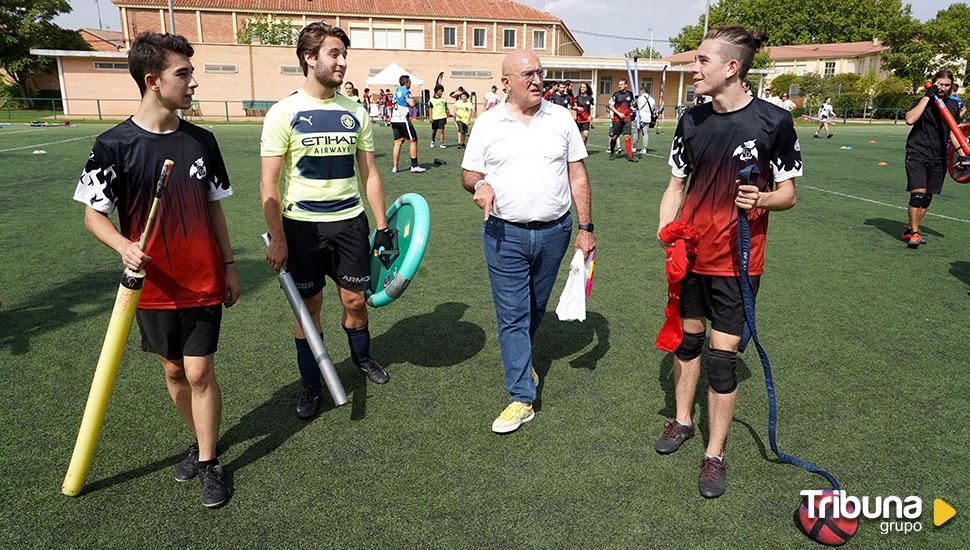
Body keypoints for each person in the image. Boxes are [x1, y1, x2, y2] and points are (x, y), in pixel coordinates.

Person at [73, 32, 238, 508]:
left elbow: (215, 210)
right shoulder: (113, 144)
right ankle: (200, 439)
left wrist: (229, 266)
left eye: (191, 72)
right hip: (152, 286)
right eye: (183, 73)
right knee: (173, 373)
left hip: (203, 278)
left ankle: (209, 462)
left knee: (199, 371)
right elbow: (92, 213)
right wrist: (124, 246)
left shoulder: (202, 141)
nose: (193, 82)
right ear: (152, 81)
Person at [656, 25, 800, 499]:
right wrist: (665, 233)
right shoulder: (691, 121)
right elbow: (676, 186)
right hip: (691, 258)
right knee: (687, 346)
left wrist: (762, 196)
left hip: (738, 263)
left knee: (722, 363)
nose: (693, 69)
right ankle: (681, 421)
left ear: (731, 68)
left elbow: (789, 196)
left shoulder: (773, 122)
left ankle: (714, 453)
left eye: (701, 61)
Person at [259, 22, 393, 420]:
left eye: (343, 54)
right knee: (309, 308)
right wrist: (279, 239)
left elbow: (369, 174)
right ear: (309, 58)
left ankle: (362, 358)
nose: (342, 62)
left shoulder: (355, 112)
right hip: (302, 227)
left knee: (355, 301)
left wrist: (382, 225)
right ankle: (312, 383)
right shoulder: (284, 112)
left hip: (350, 223)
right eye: (334, 54)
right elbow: (268, 182)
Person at [461, 51, 595, 434]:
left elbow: (577, 176)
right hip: (505, 233)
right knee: (512, 315)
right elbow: (469, 173)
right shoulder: (487, 123)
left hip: (556, 232)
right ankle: (521, 397)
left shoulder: (561, 118)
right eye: (527, 74)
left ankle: (523, 362)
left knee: (534, 309)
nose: (537, 80)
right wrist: (481, 184)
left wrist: (586, 227)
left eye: (540, 73)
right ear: (506, 82)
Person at [900, 69, 968, 248]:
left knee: (927, 197)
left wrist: (962, 154)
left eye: (946, 85)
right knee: (918, 194)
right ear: (933, 83)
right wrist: (927, 97)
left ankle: (910, 228)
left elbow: (953, 132)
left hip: (939, 156)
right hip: (918, 152)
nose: (942, 88)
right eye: (939, 84)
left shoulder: (953, 107)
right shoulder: (922, 102)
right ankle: (915, 233)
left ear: (951, 86)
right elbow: (910, 119)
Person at [390, 75, 427, 173]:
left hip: (395, 120)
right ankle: (414, 166)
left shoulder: (397, 90)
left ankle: (395, 167)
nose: (410, 84)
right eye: (410, 82)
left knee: (397, 143)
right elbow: (412, 104)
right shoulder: (405, 91)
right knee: (413, 141)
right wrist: (415, 100)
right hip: (403, 120)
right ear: (406, 82)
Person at [607, 78, 636, 161]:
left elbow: (633, 105)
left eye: (622, 84)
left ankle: (630, 156)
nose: (620, 86)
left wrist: (635, 104)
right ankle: (612, 152)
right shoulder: (615, 94)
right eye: (619, 84)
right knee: (614, 136)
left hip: (627, 119)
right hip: (617, 119)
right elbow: (610, 105)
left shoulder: (630, 94)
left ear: (626, 85)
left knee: (627, 137)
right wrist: (618, 113)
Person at [635, 86, 657, 153]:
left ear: (642, 91)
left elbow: (636, 107)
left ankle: (634, 147)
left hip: (640, 118)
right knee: (645, 133)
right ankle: (644, 148)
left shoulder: (640, 98)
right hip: (648, 118)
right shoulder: (652, 99)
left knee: (636, 132)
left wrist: (636, 102)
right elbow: (654, 109)